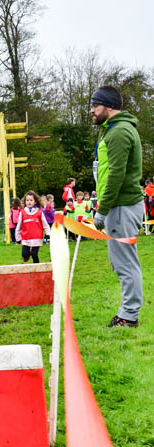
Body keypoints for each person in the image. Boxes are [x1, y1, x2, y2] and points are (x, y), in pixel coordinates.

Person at [89, 85, 145, 328]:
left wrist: (102, 210)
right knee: (121, 262)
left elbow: (116, 175)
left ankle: (129, 317)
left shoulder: (119, 132)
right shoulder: (113, 130)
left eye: (95, 105)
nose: (92, 111)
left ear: (109, 106)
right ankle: (127, 313)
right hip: (118, 206)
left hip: (122, 207)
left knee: (125, 264)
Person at [14, 191, 50, 264]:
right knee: (24, 254)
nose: (29, 202)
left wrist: (48, 234)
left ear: (35, 202)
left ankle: (37, 269)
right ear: (25, 202)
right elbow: (18, 226)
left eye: (31, 200)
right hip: (26, 238)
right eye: (27, 200)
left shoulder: (39, 212)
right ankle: (27, 255)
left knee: (34, 255)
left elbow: (45, 225)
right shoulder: (22, 212)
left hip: (37, 238)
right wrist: (18, 238)